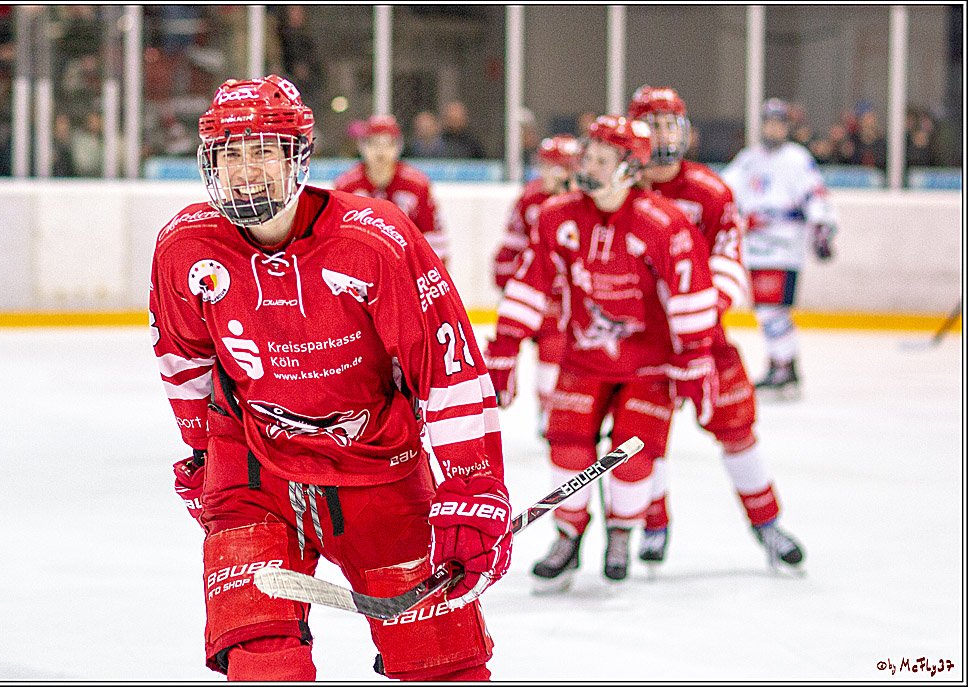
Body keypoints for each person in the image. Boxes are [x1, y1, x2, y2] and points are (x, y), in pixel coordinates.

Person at [149, 75, 510, 681]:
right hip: (254, 464)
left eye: (263, 150)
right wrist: (199, 453)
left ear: (298, 157)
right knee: (262, 660)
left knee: (442, 664)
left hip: (376, 461)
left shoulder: (375, 239)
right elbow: (184, 357)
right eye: (230, 153)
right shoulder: (185, 248)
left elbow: (448, 369)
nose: (246, 170)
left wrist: (473, 490)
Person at [485, 115, 719, 590]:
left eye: (600, 159)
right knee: (567, 447)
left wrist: (696, 358)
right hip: (582, 358)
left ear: (630, 169)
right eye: (586, 155)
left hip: (648, 365)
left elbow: (691, 293)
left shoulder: (663, 222)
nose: (585, 164)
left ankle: (621, 534)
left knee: (634, 454)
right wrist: (506, 347)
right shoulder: (557, 215)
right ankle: (568, 537)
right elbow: (531, 282)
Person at [629, 85, 805, 569]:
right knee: (643, 439)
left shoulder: (709, 191)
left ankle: (767, 525)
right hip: (640, 343)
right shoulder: (619, 188)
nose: (662, 134)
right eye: (652, 124)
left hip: (706, 340)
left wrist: (700, 320)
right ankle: (653, 523)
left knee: (737, 429)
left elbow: (729, 262)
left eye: (670, 123)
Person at [721, 98, 839, 399]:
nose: (773, 128)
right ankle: (783, 364)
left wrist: (823, 225)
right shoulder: (749, 159)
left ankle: (785, 366)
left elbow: (814, 193)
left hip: (784, 248)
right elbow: (723, 189)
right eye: (769, 122)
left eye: (779, 123)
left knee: (773, 310)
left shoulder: (797, 158)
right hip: (755, 247)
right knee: (766, 309)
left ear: (787, 126)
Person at [491, 134, 581, 435]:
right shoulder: (530, 199)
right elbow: (511, 244)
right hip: (539, 294)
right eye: (547, 165)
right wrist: (506, 281)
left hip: (576, 294)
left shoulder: (586, 201)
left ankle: (563, 409)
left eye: (561, 167)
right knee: (550, 351)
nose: (552, 173)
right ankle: (549, 411)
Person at [334, 114, 449, 265]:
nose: (380, 151)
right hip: (360, 271)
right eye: (373, 143)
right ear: (362, 146)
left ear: (398, 147)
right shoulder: (347, 186)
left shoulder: (416, 185)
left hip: (406, 270)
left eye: (388, 143)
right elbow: (336, 237)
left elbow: (433, 237)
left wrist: (431, 279)